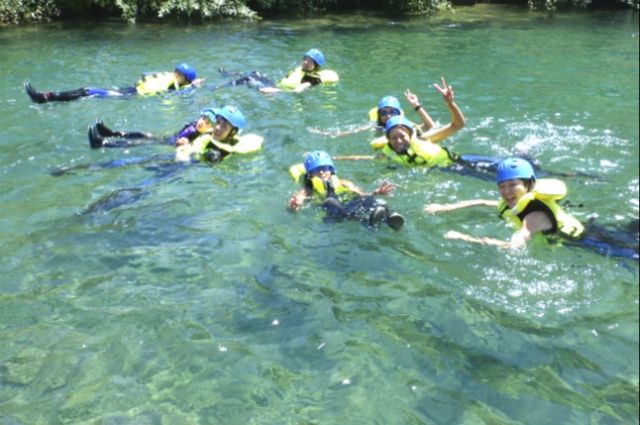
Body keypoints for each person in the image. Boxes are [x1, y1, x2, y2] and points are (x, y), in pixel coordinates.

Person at [423, 157, 639, 260]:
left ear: (529, 186)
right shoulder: (514, 204)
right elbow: (482, 201)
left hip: (596, 243)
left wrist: (465, 238)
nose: (506, 191)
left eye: (513, 185)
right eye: (502, 186)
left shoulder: (533, 216)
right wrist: (446, 207)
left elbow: (512, 246)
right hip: (592, 229)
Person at [288, 151, 405, 230]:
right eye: (316, 170)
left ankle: (389, 217)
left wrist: (376, 193)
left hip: (347, 207)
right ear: (310, 175)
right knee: (330, 201)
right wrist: (294, 205)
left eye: (325, 168)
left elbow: (362, 194)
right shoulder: (308, 188)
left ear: (331, 170)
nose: (322, 172)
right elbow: (299, 198)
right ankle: (367, 223)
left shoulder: (344, 183)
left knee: (368, 200)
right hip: (329, 214)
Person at [25, 63, 202, 103]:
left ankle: (45, 97)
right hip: (130, 90)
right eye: (176, 71)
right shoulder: (173, 80)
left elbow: (183, 92)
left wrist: (193, 86)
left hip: (132, 96)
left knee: (88, 91)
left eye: (179, 74)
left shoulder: (178, 88)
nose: (175, 74)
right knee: (86, 91)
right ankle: (46, 97)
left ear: (185, 79)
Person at [308, 90, 435, 139]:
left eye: (393, 112)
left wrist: (416, 105)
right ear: (379, 115)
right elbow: (351, 132)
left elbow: (430, 127)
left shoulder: (405, 124)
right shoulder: (375, 126)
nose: (388, 116)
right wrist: (324, 133)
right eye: (384, 112)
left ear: (398, 113)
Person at [215, 49, 339, 94]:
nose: (305, 62)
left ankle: (220, 87)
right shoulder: (301, 70)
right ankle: (228, 74)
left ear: (316, 66)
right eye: (305, 59)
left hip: (277, 90)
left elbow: (297, 91)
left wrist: (274, 91)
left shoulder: (311, 78)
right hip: (276, 85)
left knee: (249, 78)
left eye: (310, 61)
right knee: (255, 73)